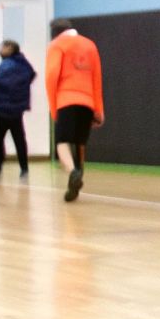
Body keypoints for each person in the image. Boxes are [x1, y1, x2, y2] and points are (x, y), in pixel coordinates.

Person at [45, 19, 103, 202]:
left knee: (62, 143)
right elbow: (97, 78)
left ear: (54, 32)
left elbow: (51, 76)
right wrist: (98, 109)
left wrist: (54, 108)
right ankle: (77, 181)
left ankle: (72, 173)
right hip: (87, 101)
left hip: (65, 99)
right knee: (80, 144)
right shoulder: (90, 44)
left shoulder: (56, 45)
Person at [0, 40, 35, 178]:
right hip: (17, 108)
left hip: (3, 107)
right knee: (19, 139)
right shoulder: (24, 63)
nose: (0, 49)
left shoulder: (7, 65)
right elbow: (31, 75)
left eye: (2, 47)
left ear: (10, 48)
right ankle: (24, 168)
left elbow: (0, 81)